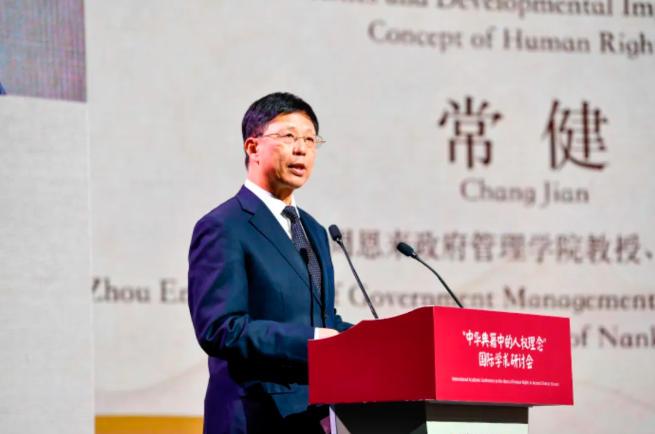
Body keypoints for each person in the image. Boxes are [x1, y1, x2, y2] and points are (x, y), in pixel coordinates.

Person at [188, 92, 352, 434]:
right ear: (253, 147)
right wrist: (311, 340)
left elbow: (322, 319)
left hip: (315, 418)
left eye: (310, 139)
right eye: (289, 136)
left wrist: (372, 340)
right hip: (253, 416)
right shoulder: (224, 226)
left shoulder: (314, 230)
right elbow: (221, 328)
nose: (301, 149)